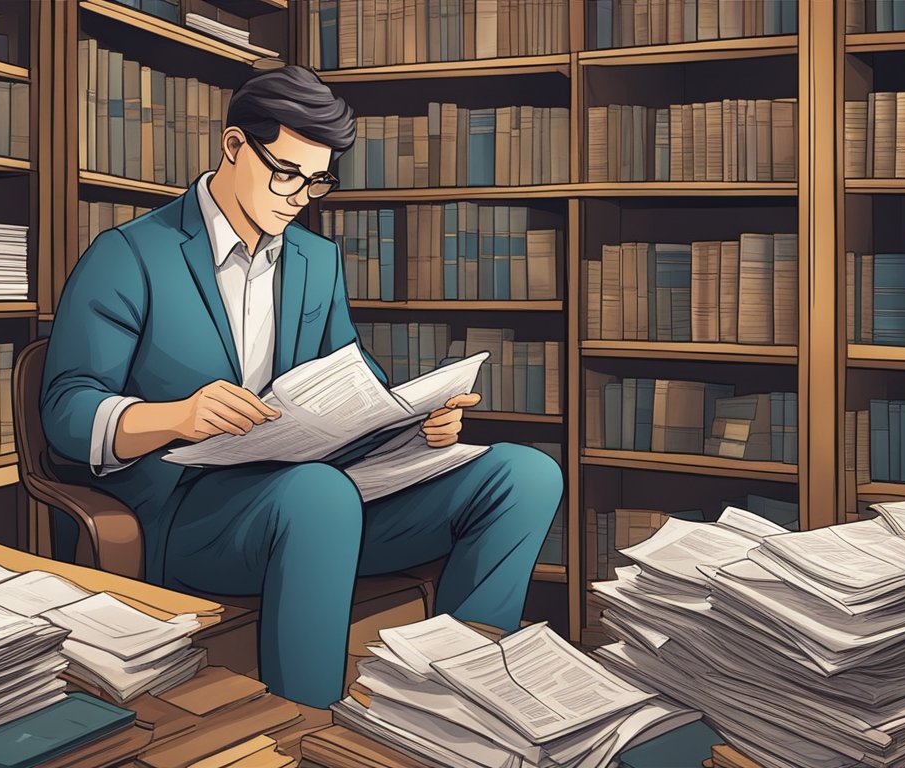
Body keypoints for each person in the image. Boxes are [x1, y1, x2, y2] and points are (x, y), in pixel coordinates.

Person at [41, 65, 562, 708]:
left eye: (315, 181)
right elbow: (67, 409)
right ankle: (304, 723)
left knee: (526, 475)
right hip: (191, 519)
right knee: (319, 496)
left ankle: (458, 704)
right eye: (285, 172)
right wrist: (176, 416)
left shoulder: (316, 262)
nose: (299, 197)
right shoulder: (130, 254)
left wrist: (414, 425)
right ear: (233, 146)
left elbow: (350, 378)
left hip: (325, 499)